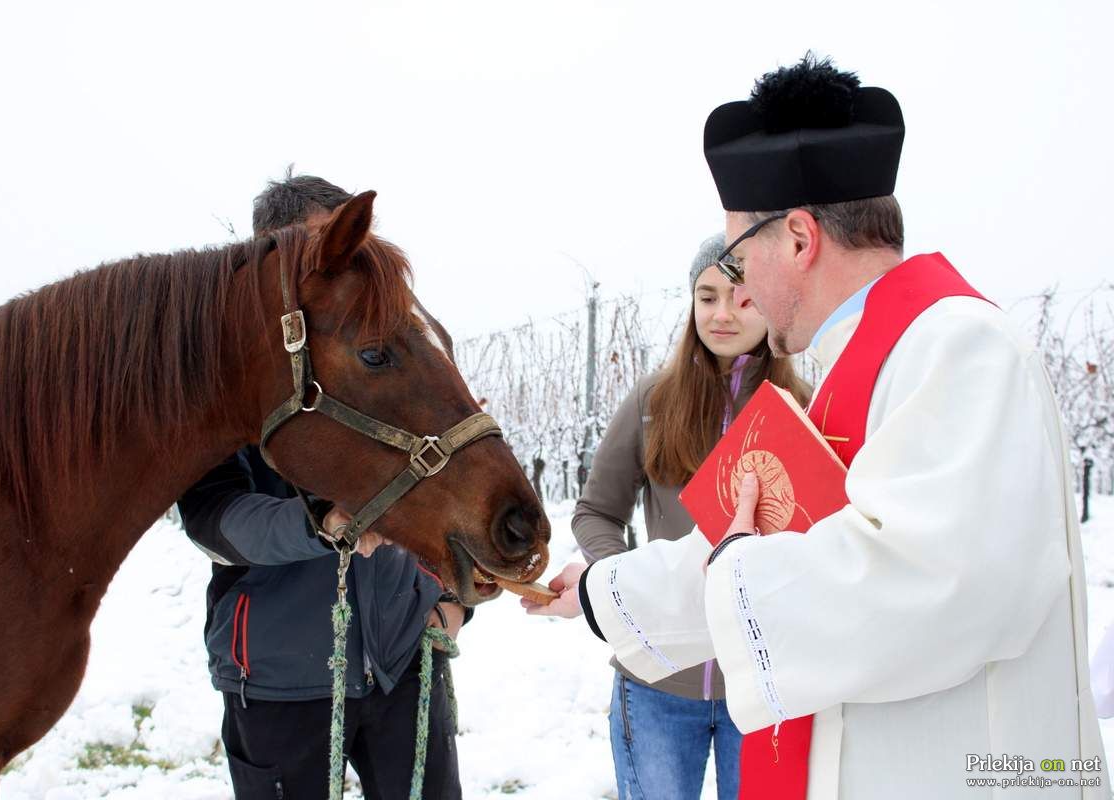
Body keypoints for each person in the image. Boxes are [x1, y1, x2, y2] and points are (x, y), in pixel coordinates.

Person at [530, 55, 1107, 799]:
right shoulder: (847, 374)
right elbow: (768, 553)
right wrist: (604, 591)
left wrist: (735, 565)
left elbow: (924, 585)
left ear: (800, 240)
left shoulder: (960, 348)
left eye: (741, 259)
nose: (740, 295)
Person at [178, 171, 466, 800]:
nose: (341, 262)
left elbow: (436, 478)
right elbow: (212, 520)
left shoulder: (383, 353)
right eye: (324, 248)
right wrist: (323, 524)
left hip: (402, 662)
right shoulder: (221, 382)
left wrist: (449, 600)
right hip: (279, 678)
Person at [572, 232, 810, 800]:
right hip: (656, 681)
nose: (722, 314)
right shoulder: (653, 401)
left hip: (761, 686)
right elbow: (596, 512)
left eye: (744, 298)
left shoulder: (800, 406)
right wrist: (624, 588)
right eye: (707, 297)